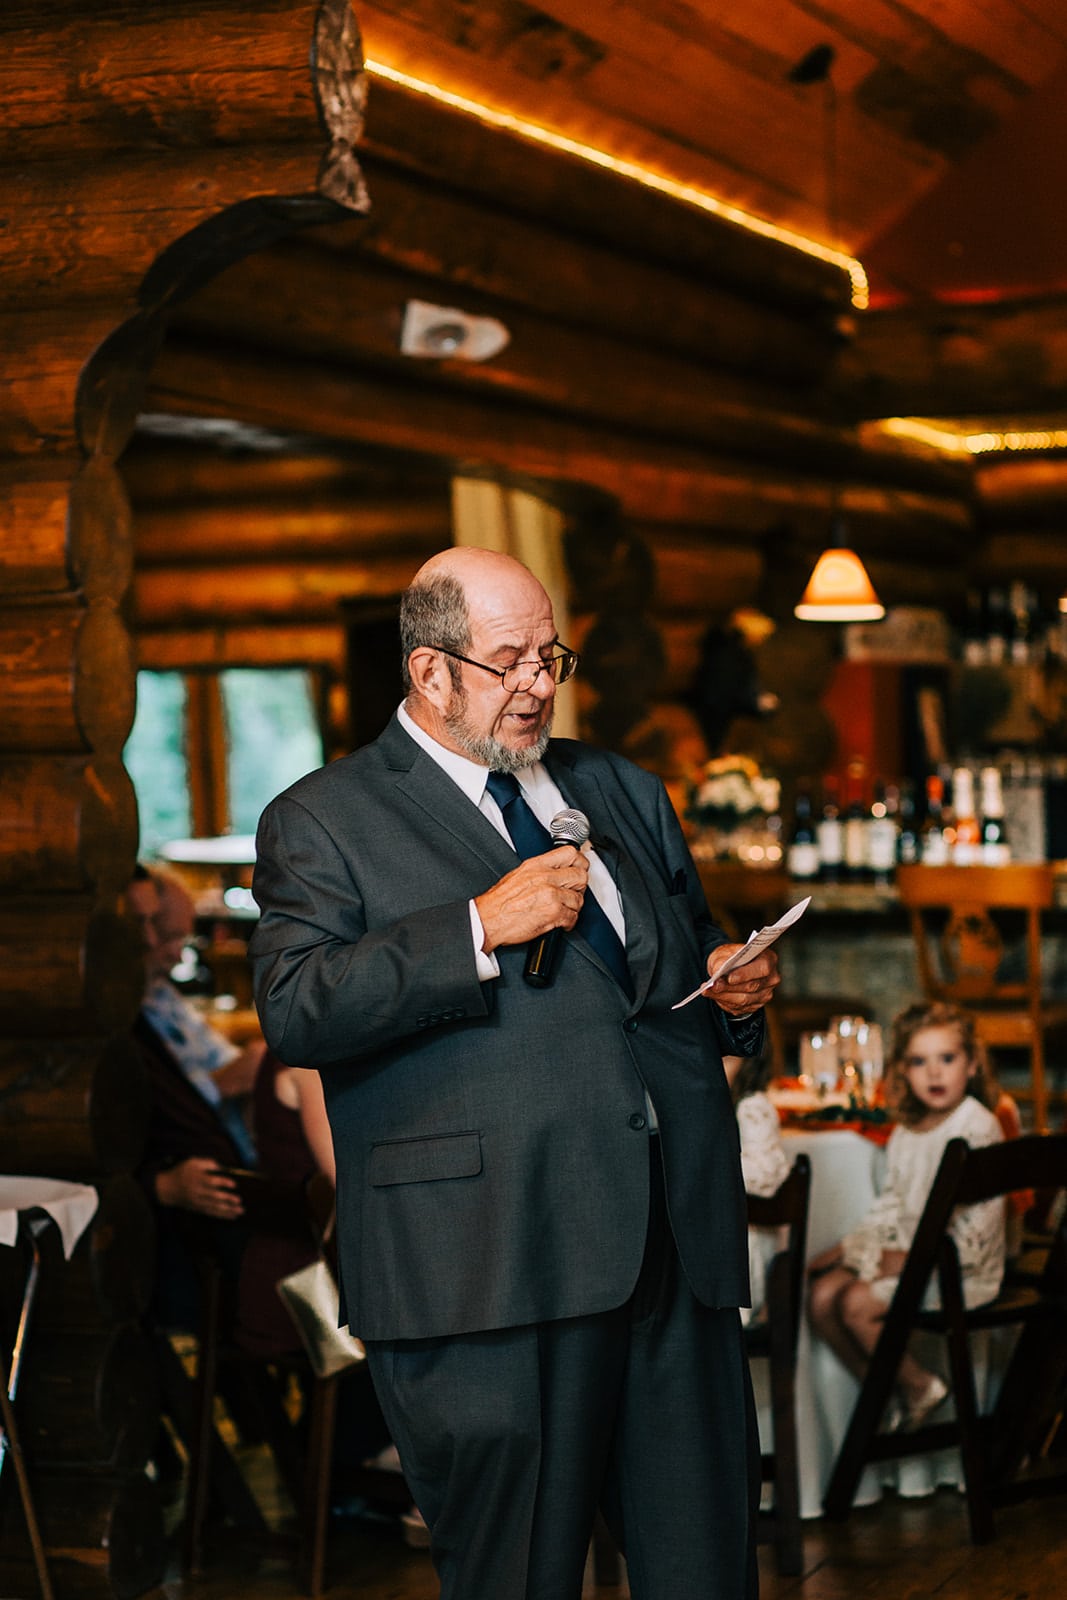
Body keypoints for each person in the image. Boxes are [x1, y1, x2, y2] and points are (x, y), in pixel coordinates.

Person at [248, 545, 780, 1600]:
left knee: (705, 1570)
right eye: (510, 661)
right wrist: (475, 929)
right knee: (519, 1578)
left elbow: (670, 956)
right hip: (487, 1265)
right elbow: (296, 1006)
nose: (540, 682)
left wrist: (727, 984)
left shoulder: (617, 787)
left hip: (667, 1246)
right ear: (429, 671)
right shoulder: (324, 819)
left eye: (551, 655)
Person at [807, 1000, 1006, 1429]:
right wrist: (849, 1249)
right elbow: (891, 1206)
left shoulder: (977, 1126)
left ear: (972, 1065)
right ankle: (885, 1392)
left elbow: (978, 1229)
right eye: (919, 1061)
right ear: (902, 1071)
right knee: (822, 1299)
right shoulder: (905, 1134)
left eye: (947, 1059)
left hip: (961, 1270)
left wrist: (915, 1258)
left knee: (857, 1305)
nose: (934, 1073)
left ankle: (919, 1385)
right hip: (912, 1257)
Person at [127, 865, 261, 1329]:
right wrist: (161, 1184)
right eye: (165, 934)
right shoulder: (114, 1022)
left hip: (230, 1179)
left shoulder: (158, 996)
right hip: (177, 1227)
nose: (155, 946)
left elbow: (221, 1074)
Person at [724, 1053, 791, 1327]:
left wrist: (708, 1165)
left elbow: (766, 1174)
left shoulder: (752, 1106)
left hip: (746, 1244)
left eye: (725, 1057)